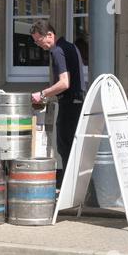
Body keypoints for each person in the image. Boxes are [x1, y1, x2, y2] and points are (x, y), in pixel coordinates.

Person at [30, 20, 86, 184]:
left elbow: (64, 83)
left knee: (64, 145)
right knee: (72, 146)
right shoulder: (70, 46)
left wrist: (42, 94)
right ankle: (75, 186)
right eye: (35, 41)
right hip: (77, 102)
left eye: (39, 40)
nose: (38, 45)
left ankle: (70, 188)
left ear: (49, 35)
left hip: (69, 104)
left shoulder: (57, 51)